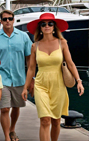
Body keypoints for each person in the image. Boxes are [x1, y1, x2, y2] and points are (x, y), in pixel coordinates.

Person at [21, 13, 84, 141]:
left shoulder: (62, 43)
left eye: (50, 23)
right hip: (41, 84)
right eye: (43, 24)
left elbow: (71, 63)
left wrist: (79, 81)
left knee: (56, 121)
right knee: (45, 120)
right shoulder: (35, 46)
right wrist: (25, 87)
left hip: (59, 84)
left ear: (54, 27)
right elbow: (31, 69)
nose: (47, 26)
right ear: (40, 28)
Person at [0, 10, 32, 141]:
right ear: (1, 21)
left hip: (19, 78)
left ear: (13, 20)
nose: (7, 21)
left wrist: (31, 79)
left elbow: (29, 60)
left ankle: (12, 130)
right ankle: (7, 136)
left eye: (10, 19)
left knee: (16, 107)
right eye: (5, 19)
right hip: (1, 79)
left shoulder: (23, 37)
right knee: (5, 108)